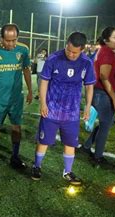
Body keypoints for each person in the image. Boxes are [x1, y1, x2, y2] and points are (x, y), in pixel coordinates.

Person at [31, 32, 95, 185]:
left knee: (70, 143)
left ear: (82, 50)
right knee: (44, 141)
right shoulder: (53, 58)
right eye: (69, 50)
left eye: (75, 52)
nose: (71, 54)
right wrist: (43, 103)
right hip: (51, 110)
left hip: (71, 113)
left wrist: (87, 106)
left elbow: (89, 86)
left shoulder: (86, 63)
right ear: (66, 44)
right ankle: (37, 166)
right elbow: (44, 82)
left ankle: (67, 172)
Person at [0, 23, 33, 169]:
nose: (11, 43)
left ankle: (15, 156)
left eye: (14, 40)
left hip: (16, 98)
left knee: (17, 127)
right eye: (7, 40)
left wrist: (30, 91)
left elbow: (26, 71)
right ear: (1, 38)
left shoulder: (23, 50)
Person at [81, 27, 115, 167]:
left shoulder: (107, 52)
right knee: (105, 126)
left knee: (106, 123)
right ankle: (97, 157)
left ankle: (87, 146)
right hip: (103, 93)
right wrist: (114, 98)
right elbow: (104, 76)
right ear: (106, 40)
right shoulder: (106, 53)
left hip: (102, 93)